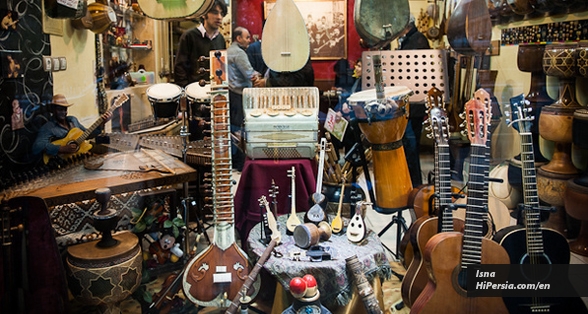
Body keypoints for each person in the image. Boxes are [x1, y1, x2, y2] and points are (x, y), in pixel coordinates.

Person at [399, 14, 430, 187]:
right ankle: (411, 182)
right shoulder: (410, 40)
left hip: (415, 103)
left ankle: (415, 184)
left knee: (411, 145)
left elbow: (413, 71)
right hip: (411, 103)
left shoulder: (417, 40)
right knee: (409, 145)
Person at [32, 94, 112, 159]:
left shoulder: (72, 120)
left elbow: (87, 134)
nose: (63, 112)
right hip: (63, 161)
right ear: (53, 110)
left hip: (80, 153)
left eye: (65, 109)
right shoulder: (48, 127)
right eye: (60, 109)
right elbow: (37, 147)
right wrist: (61, 148)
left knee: (110, 153)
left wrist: (102, 123)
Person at [228, 26, 262, 171]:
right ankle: (240, 163)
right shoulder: (239, 53)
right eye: (247, 37)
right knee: (238, 131)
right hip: (239, 94)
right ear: (238, 38)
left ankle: (235, 161)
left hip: (230, 93)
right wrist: (262, 77)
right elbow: (250, 74)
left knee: (233, 129)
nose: (249, 40)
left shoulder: (229, 51)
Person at [173, 0, 228, 88]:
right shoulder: (189, 36)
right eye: (215, 12)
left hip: (215, 92)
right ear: (203, 14)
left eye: (222, 14)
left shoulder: (220, 38)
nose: (219, 17)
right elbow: (180, 68)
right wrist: (186, 91)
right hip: (194, 93)